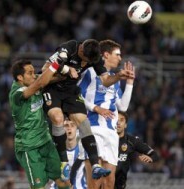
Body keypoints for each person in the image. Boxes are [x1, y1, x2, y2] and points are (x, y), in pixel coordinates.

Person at [42, 39, 134, 180]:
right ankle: (63, 162)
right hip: (53, 89)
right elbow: (46, 68)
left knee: (83, 122)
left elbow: (106, 82)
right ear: (80, 50)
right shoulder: (67, 49)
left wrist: (119, 77)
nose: (85, 63)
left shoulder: (94, 59)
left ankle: (95, 165)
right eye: (84, 60)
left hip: (71, 92)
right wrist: (67, 69)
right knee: (58, 118)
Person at [77, 39, 135, 189]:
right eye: (117, 54)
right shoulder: (89, 73)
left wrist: (129, 83)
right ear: (106, 55)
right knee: (95, 182)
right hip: (92, 129)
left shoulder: (114, 80)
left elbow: (123, 106)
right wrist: (96, 108)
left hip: (111, 132)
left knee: (109, 182)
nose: (120, 58)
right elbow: (76, 97)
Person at [9, 59, 70, 189]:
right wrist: (54, 64)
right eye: (30, 73)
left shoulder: (34, 79)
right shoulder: (16, 93)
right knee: (39, 187)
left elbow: (58, 77)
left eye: (33, 72)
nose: (33, 75)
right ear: (20, 77)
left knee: (64, 181)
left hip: (46, 141)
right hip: (29, 147)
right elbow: (39, 84)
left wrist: (65, 69)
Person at [115, 111, 159, 189]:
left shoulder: (131, 141)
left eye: (121, 120)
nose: (118, 123)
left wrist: (151, 158)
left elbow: (155, 154)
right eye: (115, 120)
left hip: (118, 186)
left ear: (125, 125)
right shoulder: (103, 139)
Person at [49, 119, 87, 189]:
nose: (69, 128)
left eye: (72, 125)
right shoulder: (54, 151)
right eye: (66, 126)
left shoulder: (84, 149)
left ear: (77, 129)